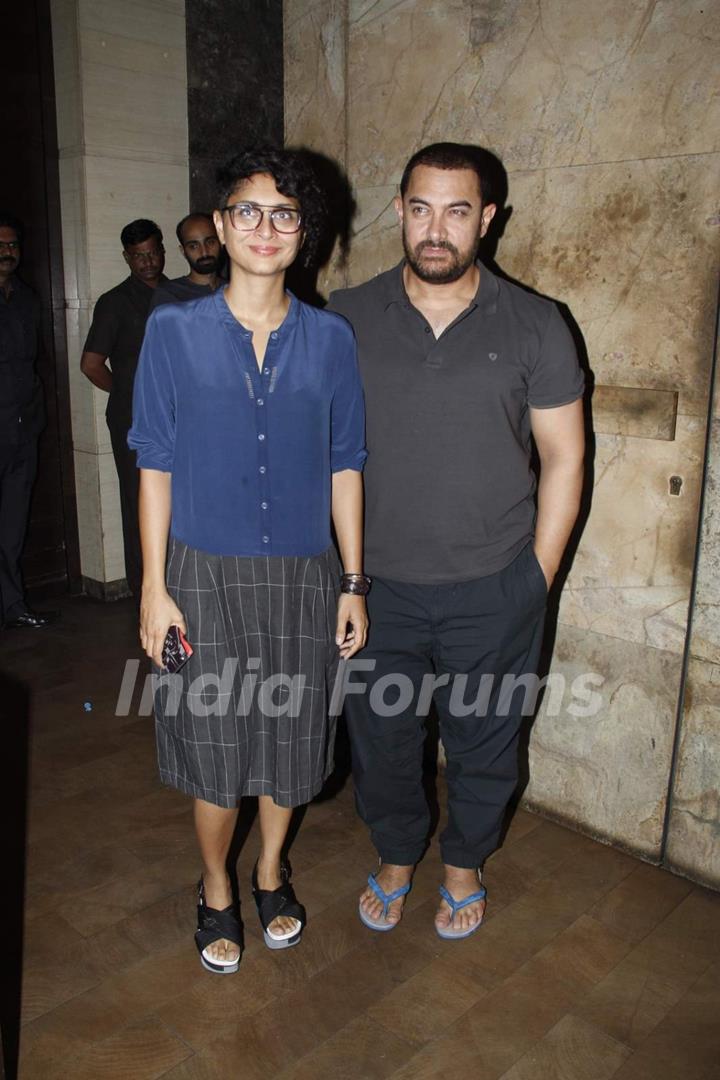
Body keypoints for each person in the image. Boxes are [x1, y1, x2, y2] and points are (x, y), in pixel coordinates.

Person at [328, 142, 585, 940]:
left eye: (457, 209)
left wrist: (535, 577)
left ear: (488, 218)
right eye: (419, 207)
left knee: (486, 741)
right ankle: (400, 854)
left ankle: (466, 863)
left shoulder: (539, 323)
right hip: (377, 591)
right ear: (399, 209)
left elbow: (565, 455)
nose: (435, 229)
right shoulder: (346, 317)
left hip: (493, 587)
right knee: (383, 742)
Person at [128, 148, 368, 974]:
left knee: (294, 740)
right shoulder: (172, 328)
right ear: (222, 227)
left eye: (285, 213)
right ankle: (215, 888)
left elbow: (346, 464)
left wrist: (352, 582)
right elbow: (153, 460)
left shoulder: (332, 338)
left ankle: (270, 872)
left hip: (304, 575)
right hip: (202, 574)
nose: (265, 228)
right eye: (248, 212)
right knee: (215, 748)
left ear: (306, 234)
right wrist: (155, 588)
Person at [80, 220, 167, 597]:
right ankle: (142, 588)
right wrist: (128, 393)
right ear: (126, 258)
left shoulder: (179, 293)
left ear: (163, 250)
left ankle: (180, 582)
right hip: (132, 421)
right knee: (139, 501)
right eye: (137, 256)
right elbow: (91, 364)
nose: (146, 262)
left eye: (151, 253)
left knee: (178, 501)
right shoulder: (114, 302)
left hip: (178, 417)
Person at [0, 213, 58, 629]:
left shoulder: (27, 298)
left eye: (13, 246)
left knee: (13, 524)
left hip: (23, 427)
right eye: (1, 245)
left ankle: (13, 604)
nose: (8, 253)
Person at [149, 213, 223, 310]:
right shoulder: (169, 296)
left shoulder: (236, 291)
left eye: (210, 242)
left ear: (221, 242)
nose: (204, 252)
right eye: (194, 246)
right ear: (183, 251)